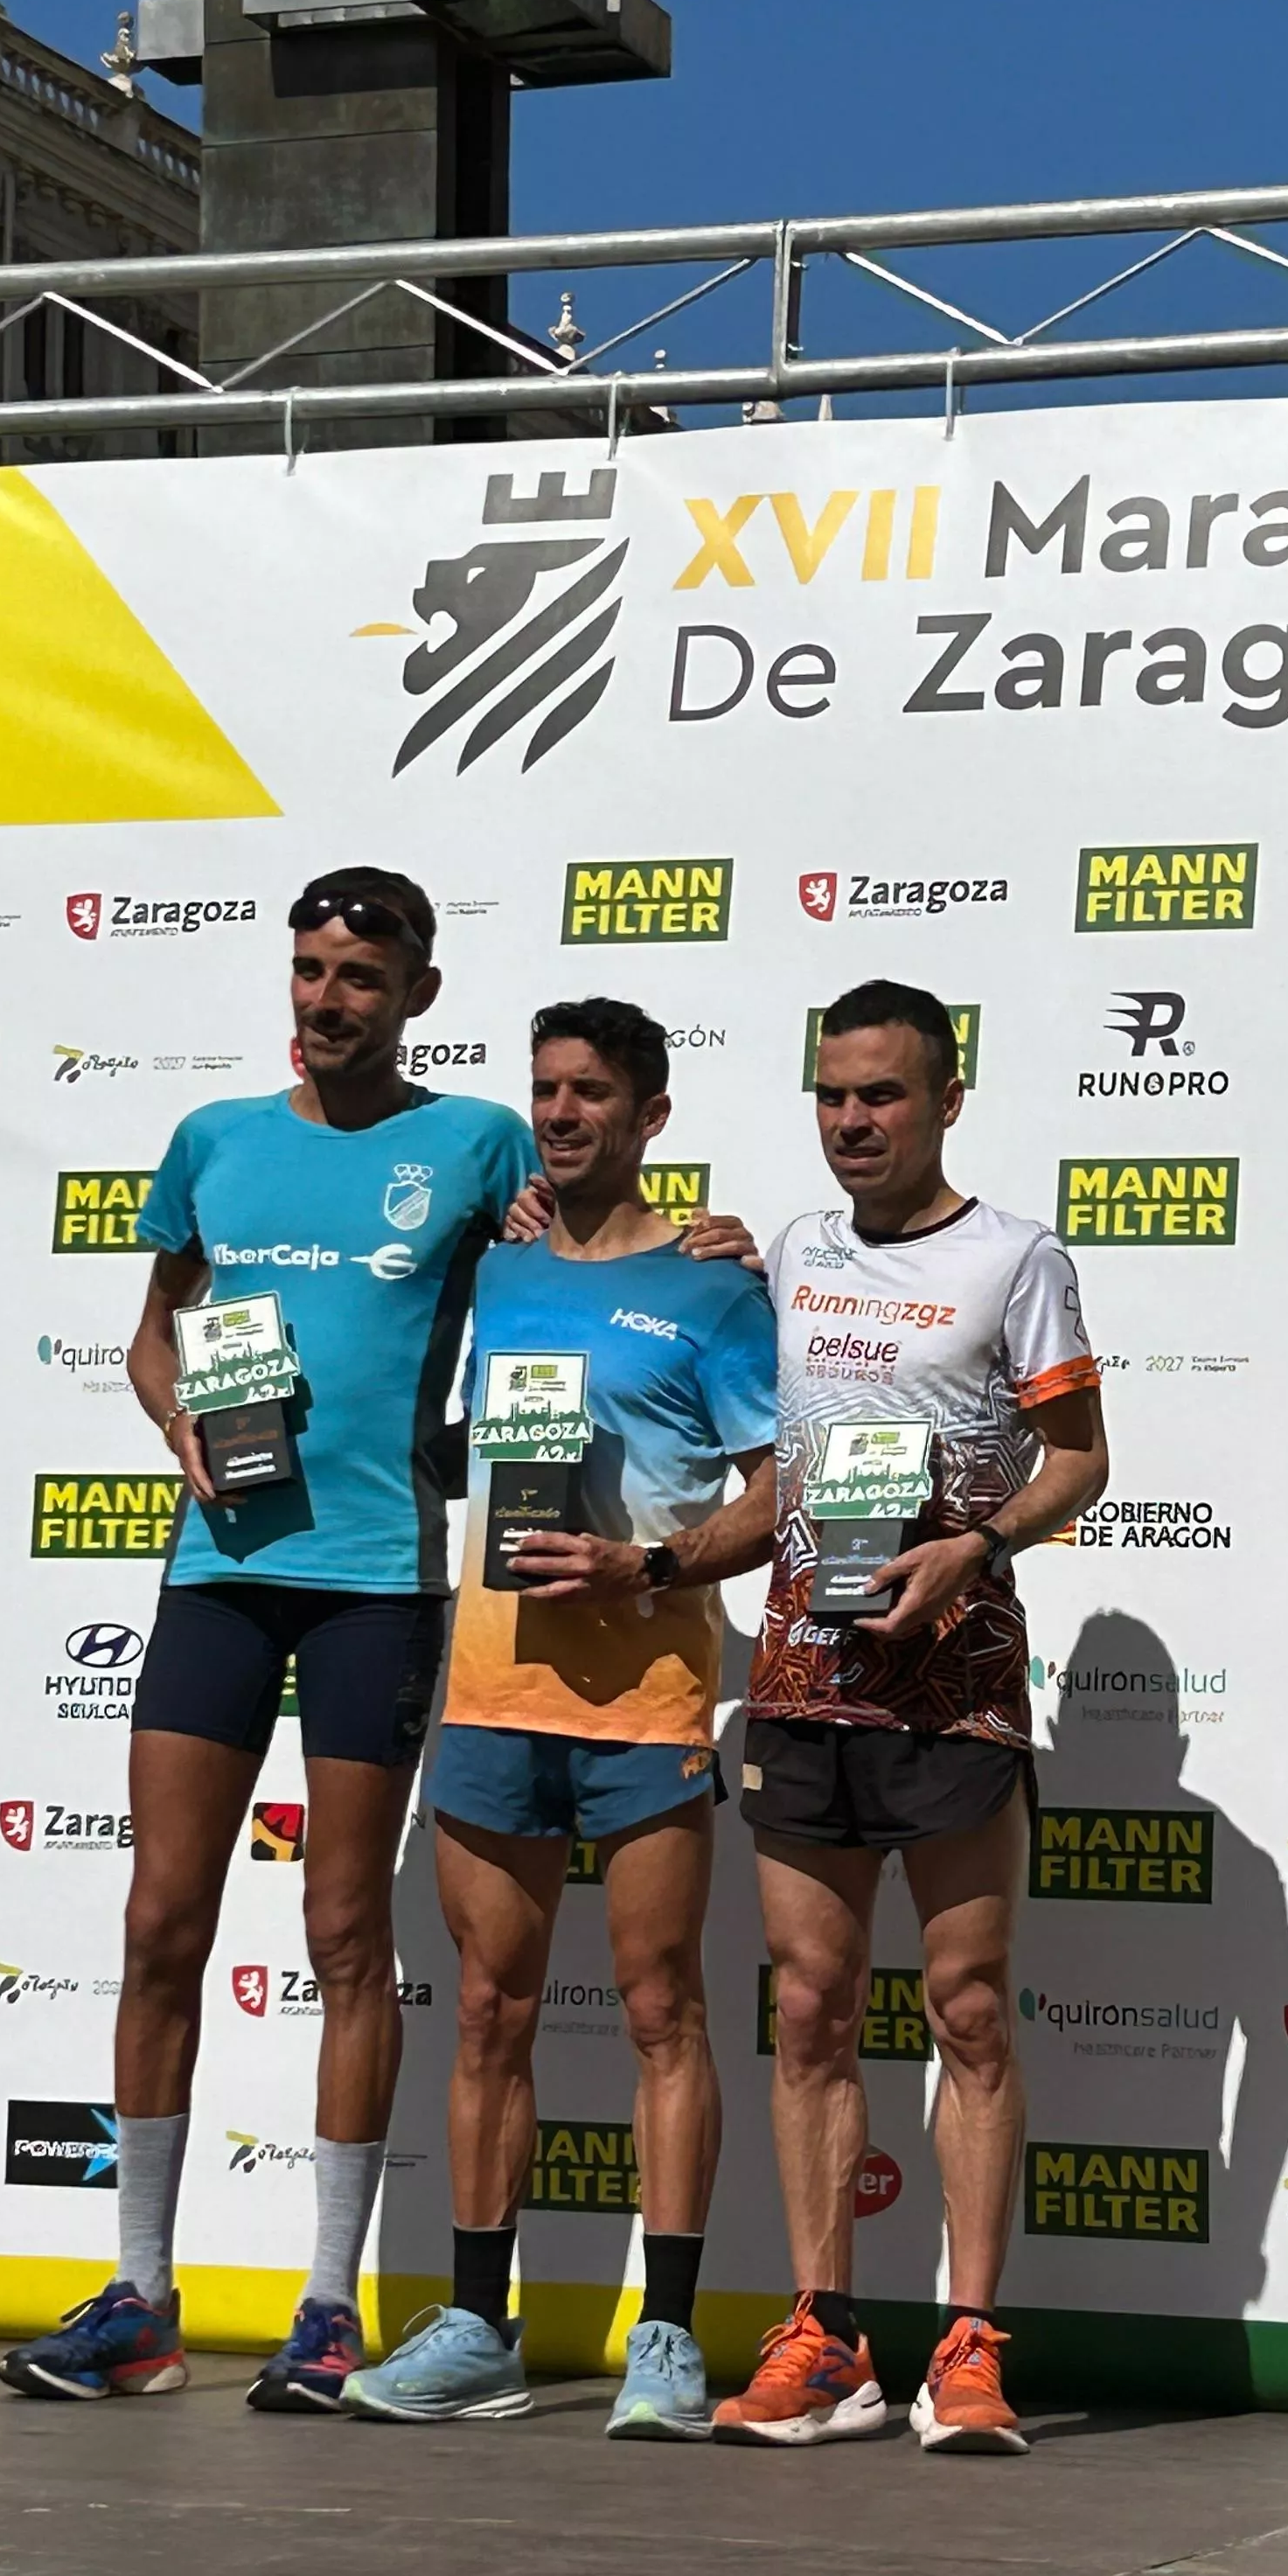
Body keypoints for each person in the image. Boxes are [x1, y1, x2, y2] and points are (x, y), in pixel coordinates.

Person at [0, 867, 537, 2409]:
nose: (326, 1000)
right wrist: (178, 1424)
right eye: (308, 971)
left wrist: (695, 1247)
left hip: (378, 1577)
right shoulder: (213, 1143)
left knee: (344, 1937)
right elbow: (152, 1331)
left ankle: (324, 2305)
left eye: (360, 979)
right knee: (161, 1924)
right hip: (217, 1567)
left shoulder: (476, 1141)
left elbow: (580, 1270)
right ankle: (142, 2298)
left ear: (417, 993)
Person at [340, 999, 777, 2438]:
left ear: (653, 1115)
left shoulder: (716, 1285)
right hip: (490, 1693)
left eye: (593, 1091)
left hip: (647, 1703)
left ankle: (666, 2334)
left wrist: (647, 1563)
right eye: (546, 1090)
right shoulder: (499, 1258)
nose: (563, 1112)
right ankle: (475, 2324)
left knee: (664, 2012)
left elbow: (779, 1498)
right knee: (485, 2012)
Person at [714, 981, 1105, 2454]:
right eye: (830, 1095)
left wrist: (981, 1547)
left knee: (970, 2013)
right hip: (805, 1679)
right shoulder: (787, 1250)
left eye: (880, 1094)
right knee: (809, 2011)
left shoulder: (1017, 1257)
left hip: (954, 1683)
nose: (852, 1121)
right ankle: (826, 2339)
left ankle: (969, 2343)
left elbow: (1080, 1459)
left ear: (946, 1099)